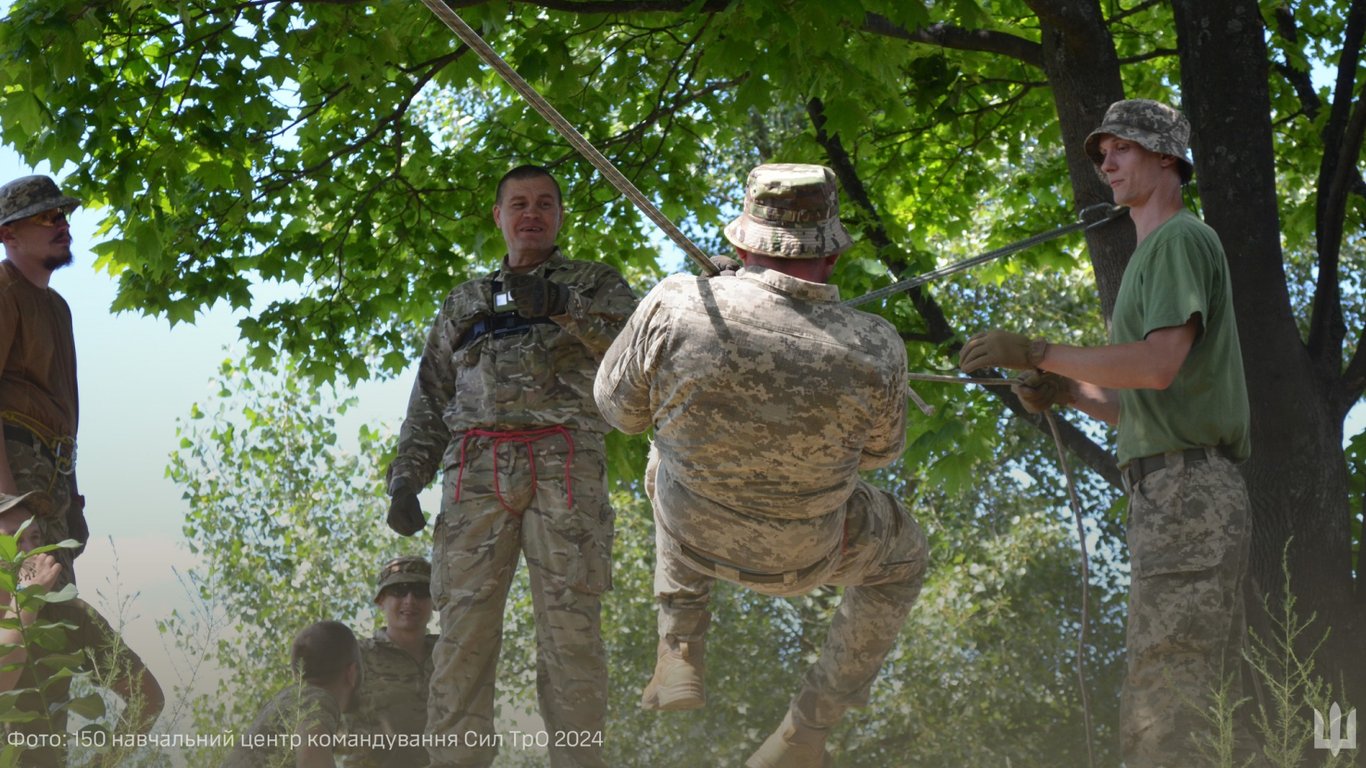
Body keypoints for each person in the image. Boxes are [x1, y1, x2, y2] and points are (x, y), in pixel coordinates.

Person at [594, 163, 929, 768]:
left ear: (741, 242)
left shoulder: (677, 304)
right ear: (830, 257)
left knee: (664, 445)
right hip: (808, 554)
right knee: (904, 555)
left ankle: (679, 648)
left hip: (693, 536)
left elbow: (617, 409)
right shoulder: (878, 346)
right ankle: (810, 727)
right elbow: (880, 453)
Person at [958, 99, 1252, 767]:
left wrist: (1037, 352)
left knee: (1170, 695)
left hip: (1188, 494)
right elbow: (1142, 406)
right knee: (1166, 689)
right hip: (1170, 490)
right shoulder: (1152, 256)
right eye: (1100, 153)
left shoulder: (1179, 239)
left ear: (1167, 157)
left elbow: (1156, 366)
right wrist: (1068, 392)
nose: (1106, 163)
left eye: (1122, 147)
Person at [384, 164, 637, 768]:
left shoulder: (596, 284)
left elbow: (638, 353)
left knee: (570, 635)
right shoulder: (464, 300)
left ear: (559, 216)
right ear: (497, 216)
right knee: (463, 639)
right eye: (518, 203)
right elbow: (431, 394)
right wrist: (406, 478)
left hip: (564, 466)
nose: (532, 213)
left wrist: (565, 306)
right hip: (474, 469)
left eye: (544, 203)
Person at [0, 490, 164, 767]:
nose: (30, 553)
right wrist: (25, 605)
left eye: (35, 538)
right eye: (15, 540)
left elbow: (146, 697)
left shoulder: (68, 614)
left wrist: (103, 762)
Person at [0, 175, 88, 580]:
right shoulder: (4, 290)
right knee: (30, 617)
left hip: (52, 479)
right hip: (16, 472)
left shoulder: (59, 308)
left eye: (65, 214)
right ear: (9, 234)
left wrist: (72, 498)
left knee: (56, 618)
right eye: (47, 216)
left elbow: (63, 414)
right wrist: (7, 506)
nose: (63, 225)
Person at [221, 621, 361, 768]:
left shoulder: (285, 701)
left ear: (297, 674)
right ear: (351, 674)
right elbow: (310, 758)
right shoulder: (316, 700)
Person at [345, 556, 438, 768]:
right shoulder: (355, 656)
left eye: (421, 591)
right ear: (381, 601)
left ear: (434, 600)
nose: (410, 600)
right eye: (399, 591)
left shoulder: (449, 655)